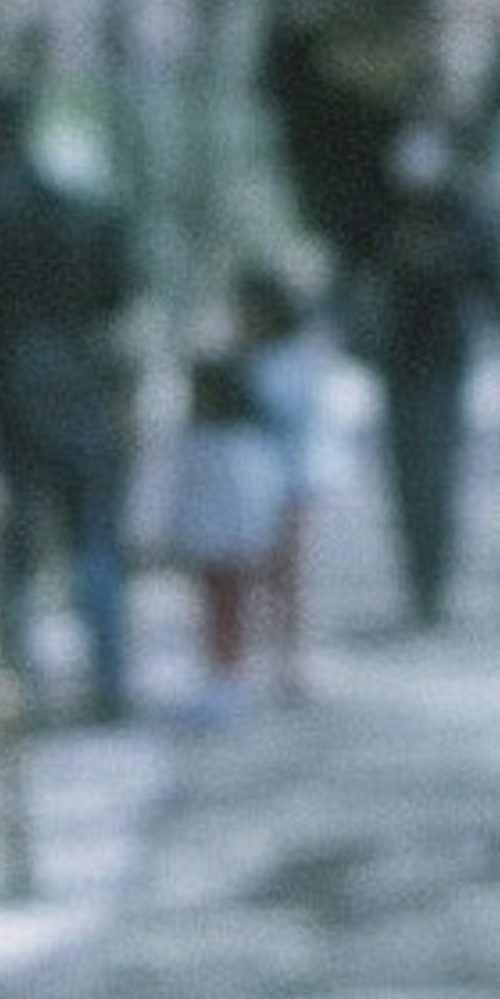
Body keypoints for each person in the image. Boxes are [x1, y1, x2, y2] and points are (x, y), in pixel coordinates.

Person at [0, 82, 135, 720]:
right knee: (90, 537)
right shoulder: (69, 207)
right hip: (75, 383)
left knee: (18, 545)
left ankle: (20, 687)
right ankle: (106, 679)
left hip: (10, 392)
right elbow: (114, 292)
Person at [360, 117, 500, 631]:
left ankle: (433, 586)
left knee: (437, 476)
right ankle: (416, 582)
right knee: (407, 478)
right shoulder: (381, 214)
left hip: (445, 364)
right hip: (397, 362)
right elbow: (358, 278)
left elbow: (493, 280)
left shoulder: (465, 217)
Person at [164, 330, 291, 713]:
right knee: (212, 613)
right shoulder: (200, 439)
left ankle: (233, 677)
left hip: (233, 544)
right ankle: (219, 676)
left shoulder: (241, 442)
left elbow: (258, 496)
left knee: (231, 613)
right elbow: (182, 494)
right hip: (212, 544)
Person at [230, 257, 328, 694]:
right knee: (258, 575)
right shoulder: (245, 356)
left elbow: (288, 414)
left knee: (288, 575)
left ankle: (293, 659)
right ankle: (259, 658)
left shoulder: (292, 357)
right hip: (250, 485)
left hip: (289, 483)